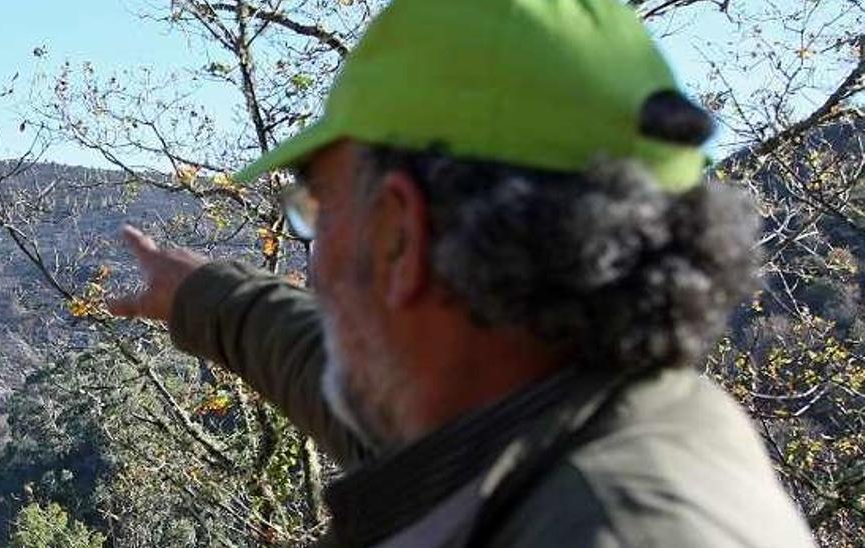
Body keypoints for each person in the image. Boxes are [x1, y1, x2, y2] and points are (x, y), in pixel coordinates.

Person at [108, 0, 815, 545]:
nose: (316, 270)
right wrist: (201, 297)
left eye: (317, 209)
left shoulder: (613, 529)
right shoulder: (551, 426)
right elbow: (331, 370)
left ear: (397, 235)